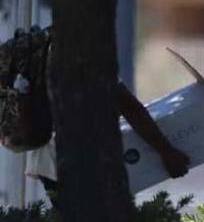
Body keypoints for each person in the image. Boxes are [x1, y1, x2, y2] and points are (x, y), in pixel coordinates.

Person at [28, 81, 191, 207]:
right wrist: (166, 152)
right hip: (77, 163)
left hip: (47, 160)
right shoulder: (88, 49)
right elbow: (129, 106)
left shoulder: (48, 46)